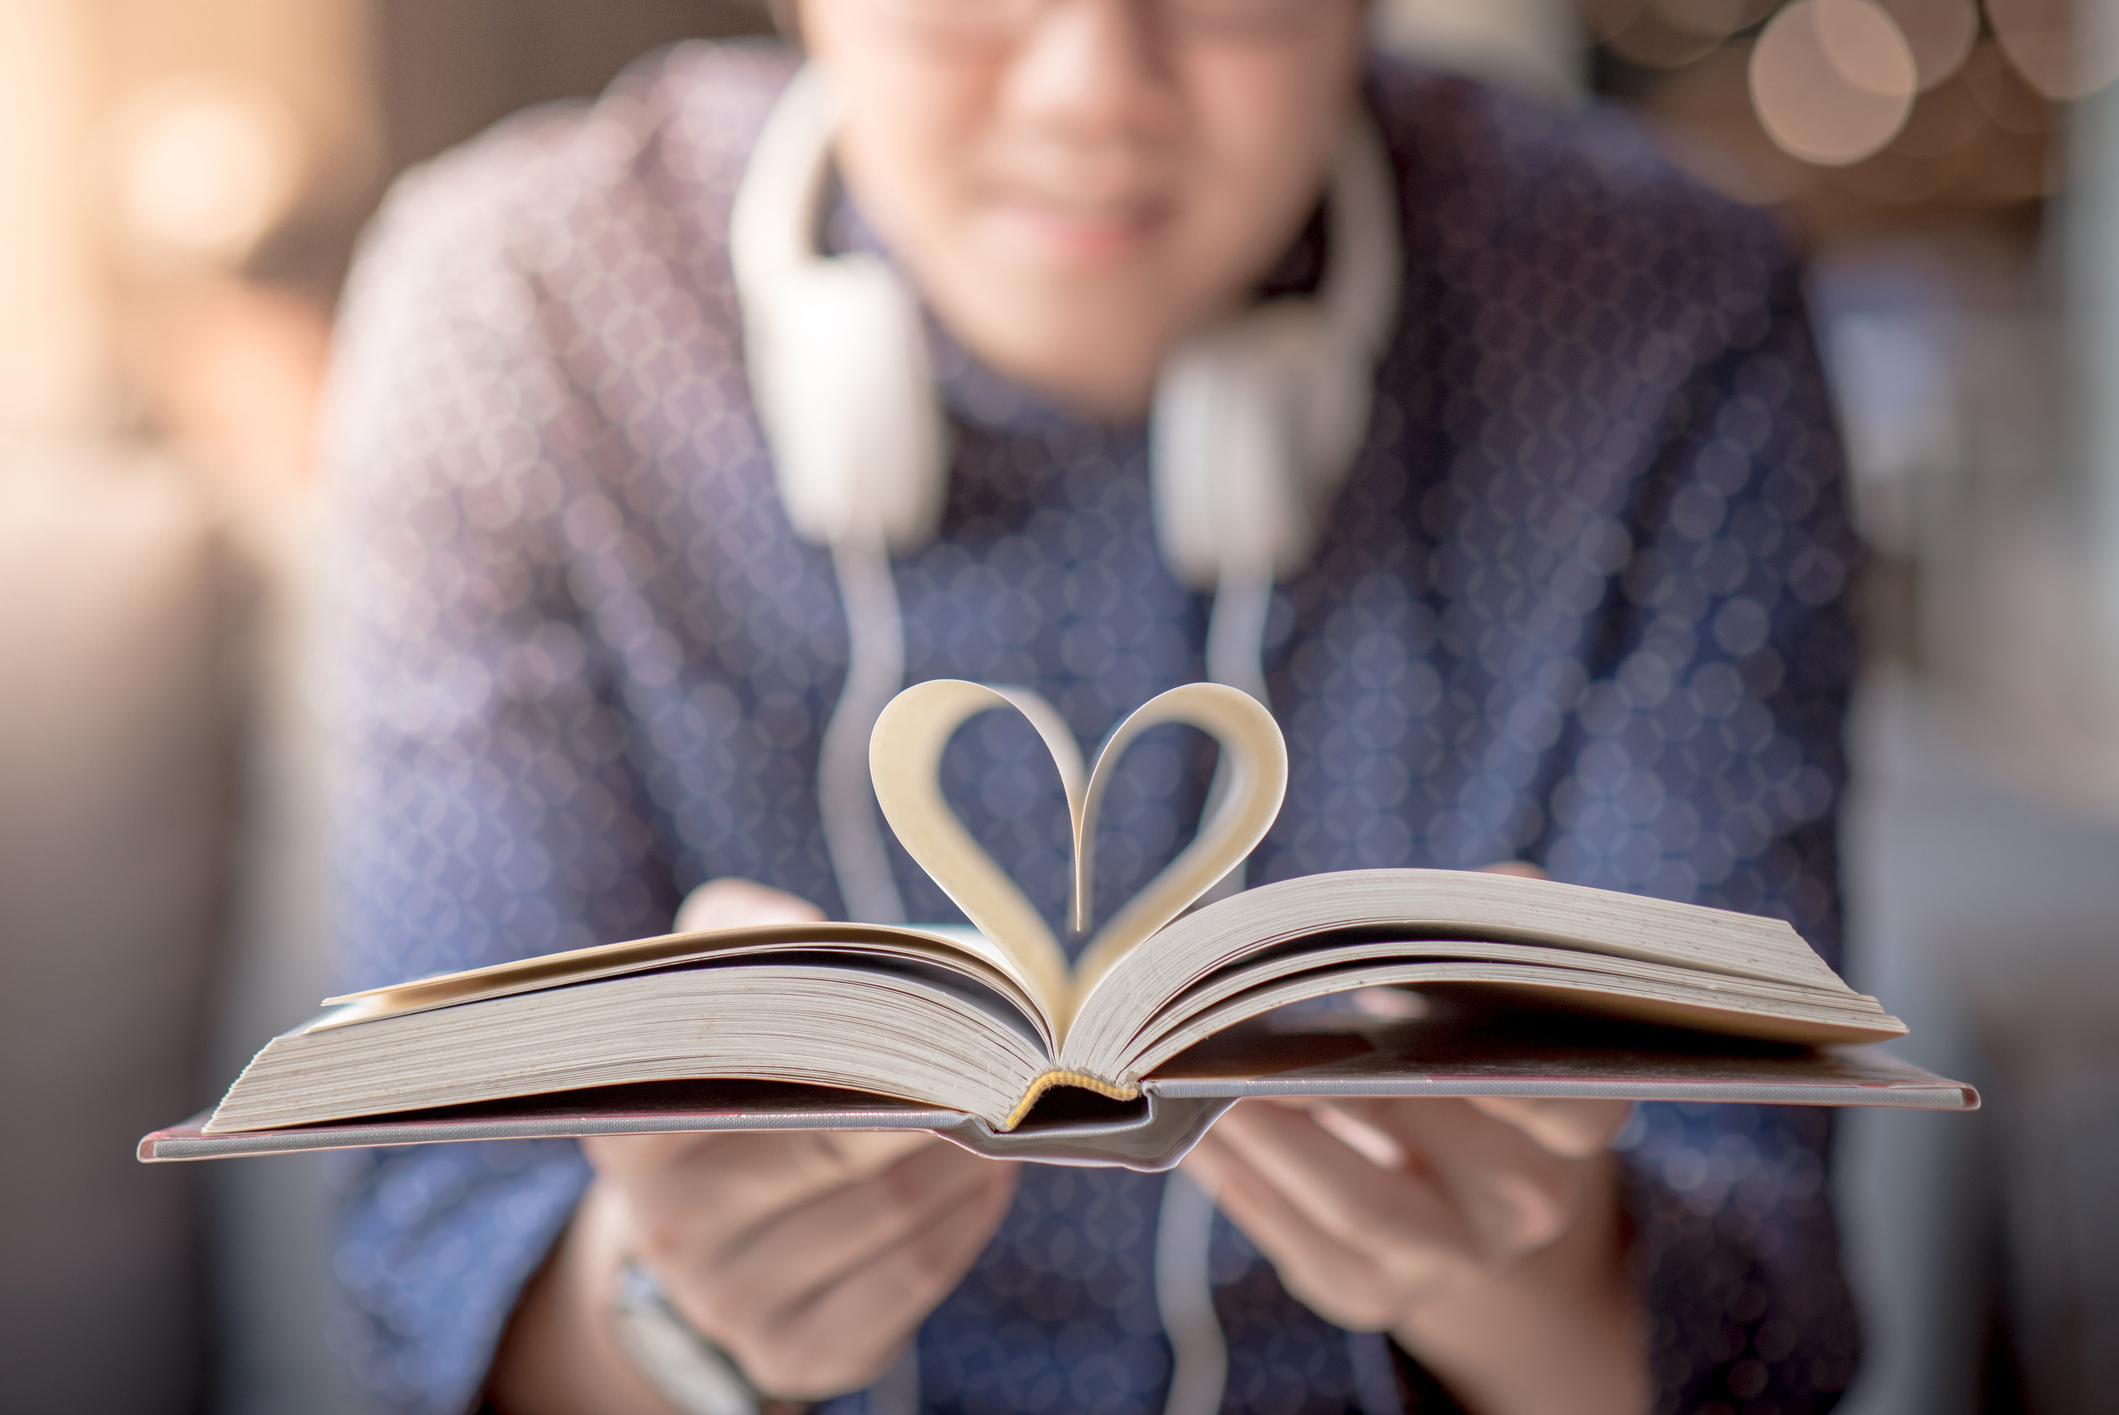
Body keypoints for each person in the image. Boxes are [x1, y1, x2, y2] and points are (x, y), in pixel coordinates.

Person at [320, 2, 1864, 1412]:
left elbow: (1758, 1312)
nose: (1093, 92)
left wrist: (1532, 1268)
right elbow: (445, 1273)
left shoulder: (1669, 312)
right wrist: (672, 1303)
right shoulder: (514, 316)